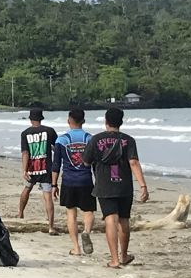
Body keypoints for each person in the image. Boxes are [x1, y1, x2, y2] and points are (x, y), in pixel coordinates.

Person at [82, 107, 149, 269]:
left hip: (104, 185)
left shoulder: (96, 140)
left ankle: (114, 260)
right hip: (124, 186)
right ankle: (124, 255)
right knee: (124, 220)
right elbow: (133, 162)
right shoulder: (129, 140)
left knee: (111, 219)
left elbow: (86, 162)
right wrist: (143, 185)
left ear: (106, 122)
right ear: (121, 122)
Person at [52, 108, 96, 256]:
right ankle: (86, 231)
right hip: (86, 180)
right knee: (88, 211)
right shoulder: (90, 139)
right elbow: (95, 163)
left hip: (69, 181)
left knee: (71, 213)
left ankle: (76, 248)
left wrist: (54, 185)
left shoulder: (61, 140)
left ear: (68, 121)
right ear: (83, 121)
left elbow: (56, 165)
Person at [19, 107, 58, 234]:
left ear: (30, 119)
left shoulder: (25, 133)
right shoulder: (50, 131)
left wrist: (24, 170)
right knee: (47, 196)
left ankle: (20, 213)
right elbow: (55, 148)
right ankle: (51, 226)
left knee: (26, 190)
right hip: (46, 168)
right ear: (41, 118)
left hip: (31, 168)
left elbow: (25, 153)